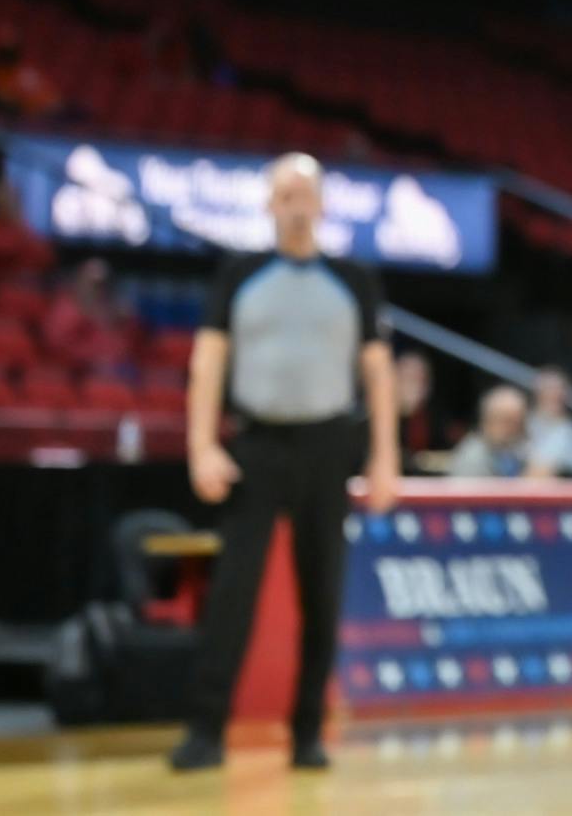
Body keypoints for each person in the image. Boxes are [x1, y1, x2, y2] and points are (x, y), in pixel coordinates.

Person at [170, 153, 398, 773]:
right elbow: (208, 363)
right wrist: (202, 444)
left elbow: (377, 375)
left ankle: (307, 734)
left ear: (322, 205)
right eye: (285, 195)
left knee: (322, 595)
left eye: (306, 194)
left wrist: (384, 458)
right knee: (232, 595)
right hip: (257, 447)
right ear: (269, 205)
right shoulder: (239, 274)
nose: (297, 205)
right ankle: (206, 730)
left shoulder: (354, 279)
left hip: (328, 448)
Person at [447, 384, 536, 478]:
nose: (515, 429)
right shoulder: (472, 457)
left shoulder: (518, 450)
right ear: (487, 420)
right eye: (508, 421)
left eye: (519, 422)